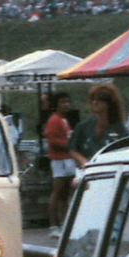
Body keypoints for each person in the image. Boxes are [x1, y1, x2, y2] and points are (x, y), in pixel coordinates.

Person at [68, 83, 127, 170]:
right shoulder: (83, 126)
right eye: (93, 99)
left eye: (99, 100)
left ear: (109, 103)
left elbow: (125, 150)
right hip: (86, 170)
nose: (95, 102)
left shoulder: (119, 128)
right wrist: (84, 163)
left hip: (110, 170)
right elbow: (72, 149)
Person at [44, 93, 75, 233]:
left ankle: (65, 223)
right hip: (59, 159)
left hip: (67, 159)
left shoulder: (64, 120)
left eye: (68, 102)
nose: (66, 105)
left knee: (65, 193)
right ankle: (53, 225)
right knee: (57, 191)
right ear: (56, 104)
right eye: (63, 102)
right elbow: (52, 140)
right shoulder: (54, 120)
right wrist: (69, 144)